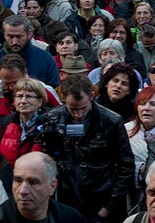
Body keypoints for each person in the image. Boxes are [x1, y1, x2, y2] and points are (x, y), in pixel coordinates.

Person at [46, 74, 134, 222]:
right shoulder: (52, 120)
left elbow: (126, 165)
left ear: (92, 95)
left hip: (100, 201)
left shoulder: (111, 121)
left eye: (83, 108)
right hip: (64, 201)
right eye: (72, 109)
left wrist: (110, 206)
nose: (79, 114)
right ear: (62, 98)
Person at [0, 152, 85, 223]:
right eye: (18, 180)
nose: (23, 191)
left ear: (52, 186)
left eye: (33, 182)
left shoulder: (72, 219)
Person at [0, 15, 59, 90]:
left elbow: (53, 93)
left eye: (19, 37)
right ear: (4, 35)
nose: (15, 42)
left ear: (29, 34)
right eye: (10, 37)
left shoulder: (46, 60)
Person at [0, 78, 51, 165]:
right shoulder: (6, 122)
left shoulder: (49, 125)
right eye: (19, 96)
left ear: (40, 101)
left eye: (29, 96)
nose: (23, 101)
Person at [124, 87, 155, 187]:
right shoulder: (126, 130)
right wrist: (141, 169)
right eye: (142, 104)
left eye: (153, 104)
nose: (146, 108)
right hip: (132, 191)